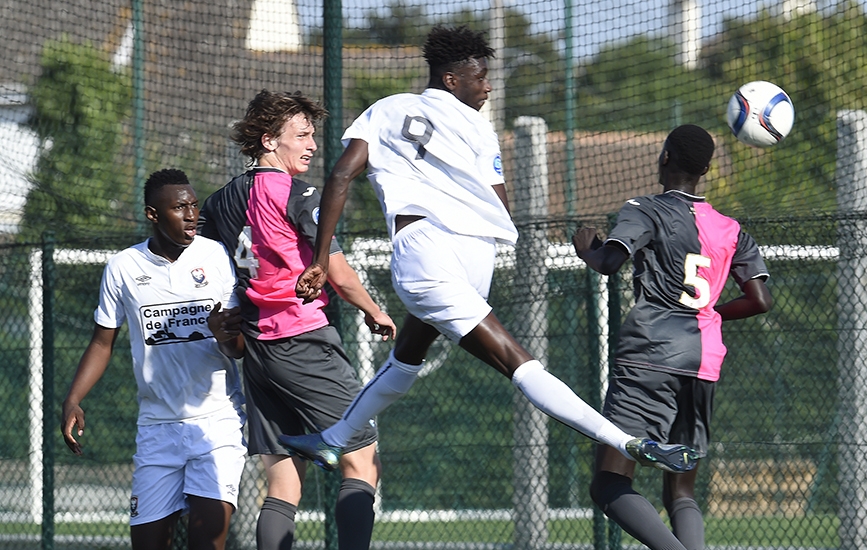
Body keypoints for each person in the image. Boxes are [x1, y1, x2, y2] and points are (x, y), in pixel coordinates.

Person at [284, 25, 698, 476]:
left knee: (506, 363)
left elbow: (341, 176)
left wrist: (320, 258)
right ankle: (333, 440)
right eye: (479, 77)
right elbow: (499, 204)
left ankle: (627, 441)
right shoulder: (479, 130)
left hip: (428, 254)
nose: (487, 86)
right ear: (450, 80)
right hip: (473, 258)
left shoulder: (387, 110)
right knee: (411, 356)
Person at [197, 90, 396, 550]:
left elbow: (205, 262)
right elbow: (337, 272)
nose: (310, 145)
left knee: (284, 485)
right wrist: (374, 309)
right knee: (362, 461)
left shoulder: (220, 201)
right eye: (301, 135)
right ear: (269, 141)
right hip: (303, 340)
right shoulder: (299, 193)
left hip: (258, 352)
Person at [572, 124, 773, 550]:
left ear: (665, 157)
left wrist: (586, 248)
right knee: (680, 492)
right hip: (703, 360)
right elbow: (759, 300)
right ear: (704, 170)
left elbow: (609, 262)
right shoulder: (732, 229)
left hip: (650, 356)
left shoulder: (644, 209)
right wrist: (708, 314)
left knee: (608, 484)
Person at [60, 168, 247, 550]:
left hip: (218, 425)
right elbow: (101, 342)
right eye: (180, 207)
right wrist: (73, 399)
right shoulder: (123, 267)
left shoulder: (216, 256)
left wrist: (222, 332)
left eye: (194, 205)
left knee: (207, 540)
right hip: (156, 428)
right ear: (153, 214)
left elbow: (237, 349)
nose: (192, 214)